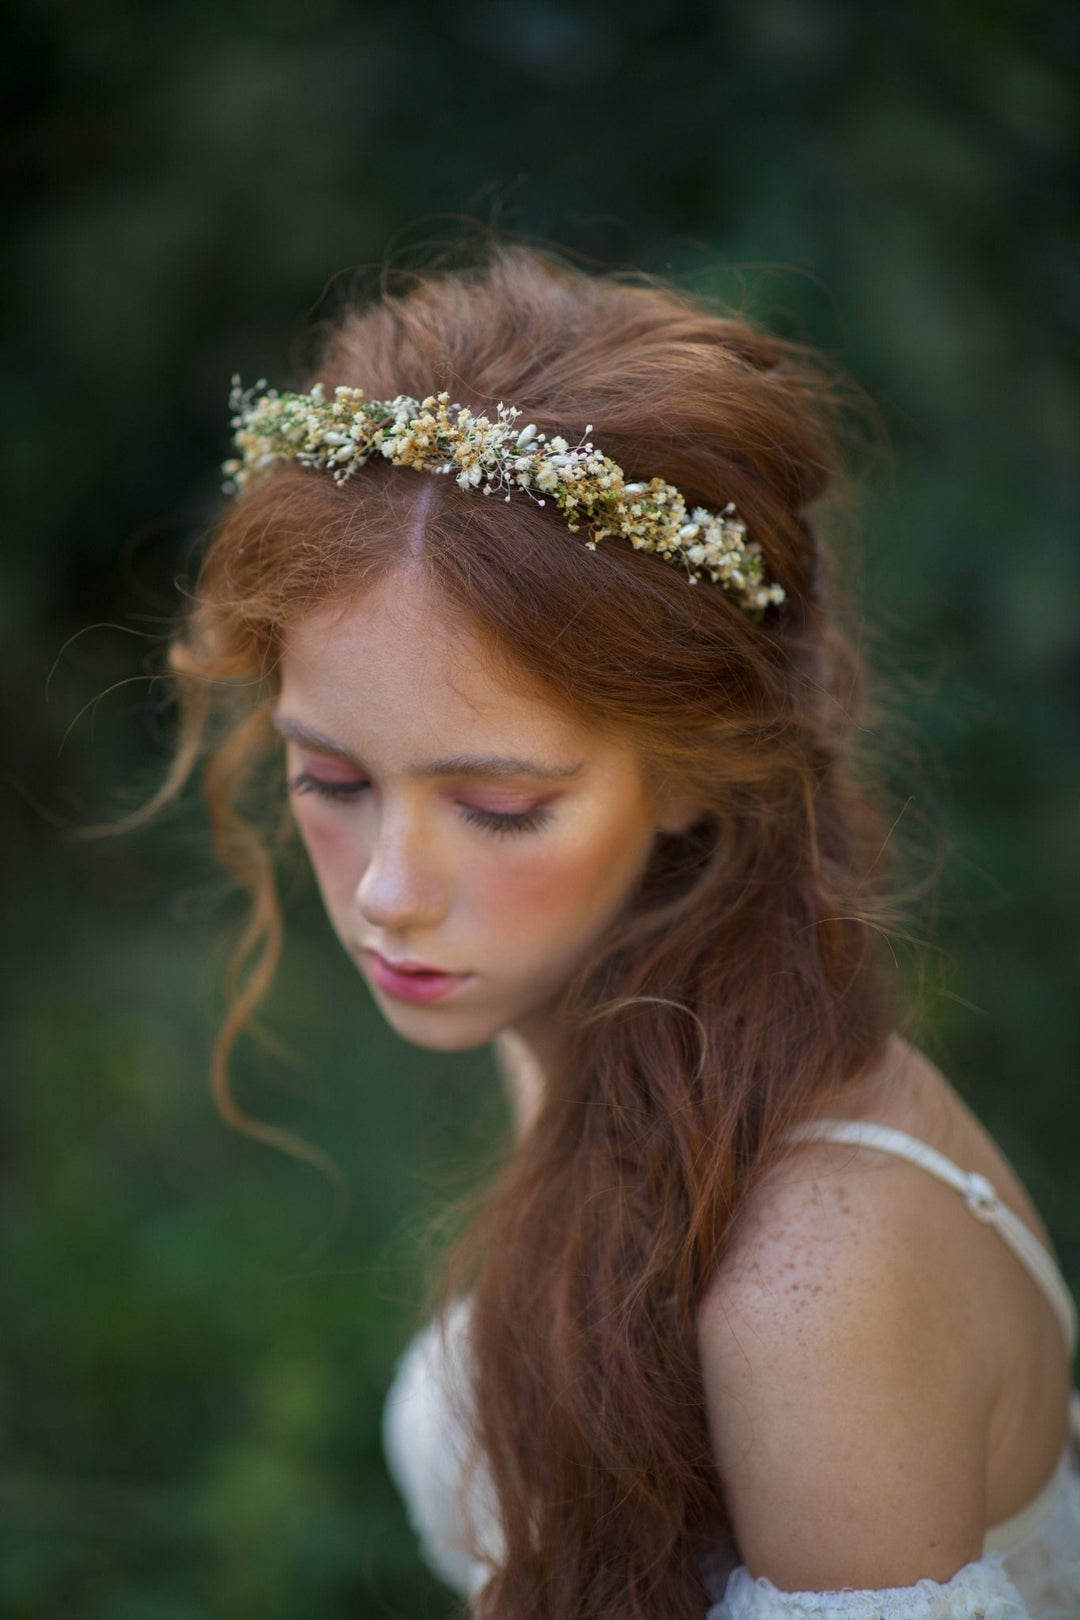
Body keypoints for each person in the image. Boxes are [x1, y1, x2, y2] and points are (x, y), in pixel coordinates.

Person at [153, 245, 1079, 1617]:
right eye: (331, 779)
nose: (389, 891)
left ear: (696, 772)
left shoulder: (813, 1288)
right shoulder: (588, 1015)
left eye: (501, 807)